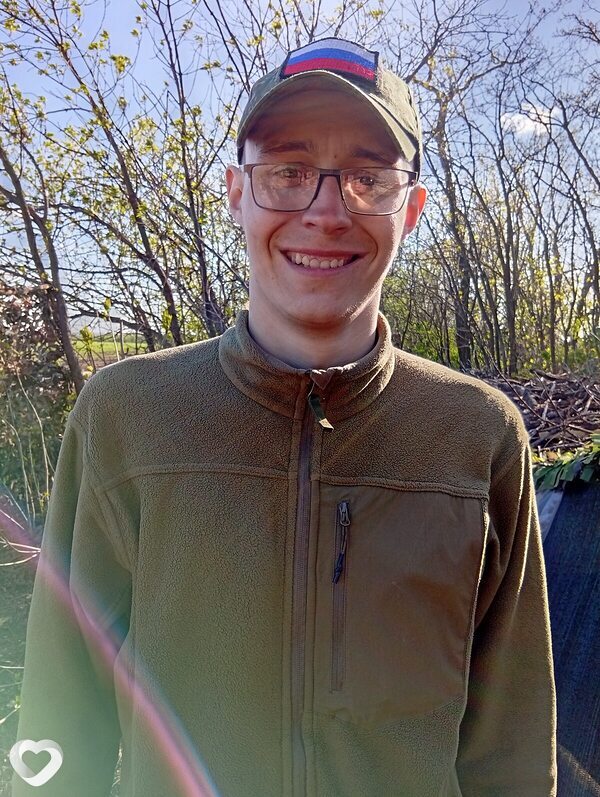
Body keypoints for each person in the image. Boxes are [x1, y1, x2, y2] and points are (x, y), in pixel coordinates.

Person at [13, 37, 556, 796]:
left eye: (369, 177)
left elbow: (513, 746)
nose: (327, 211)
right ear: (237, 192)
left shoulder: (479, 435)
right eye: (288, 173)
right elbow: (60, 716)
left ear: (411, 209)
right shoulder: (127, 416)